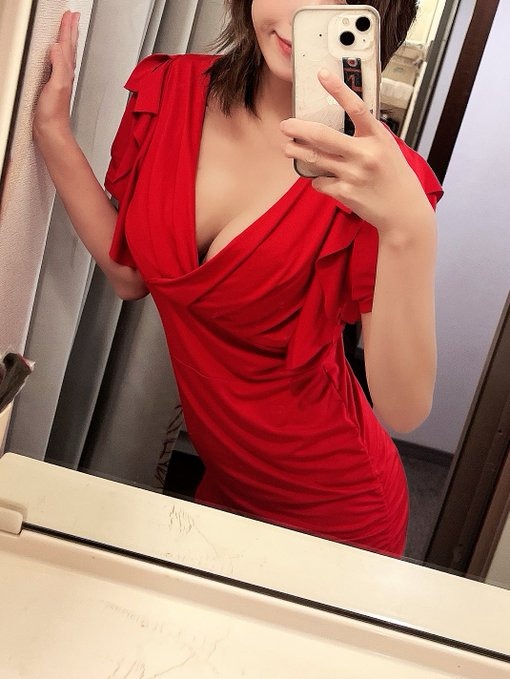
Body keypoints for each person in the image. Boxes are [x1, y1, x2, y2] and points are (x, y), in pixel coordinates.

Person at [33, 1, 443, 556]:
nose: (300, 16)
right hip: (225, 478)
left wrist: (409, 228)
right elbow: (130, 274)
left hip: (334, 506)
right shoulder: (170, 91)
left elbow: (403, 408)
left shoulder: (380, 183)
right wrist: (53, 131)